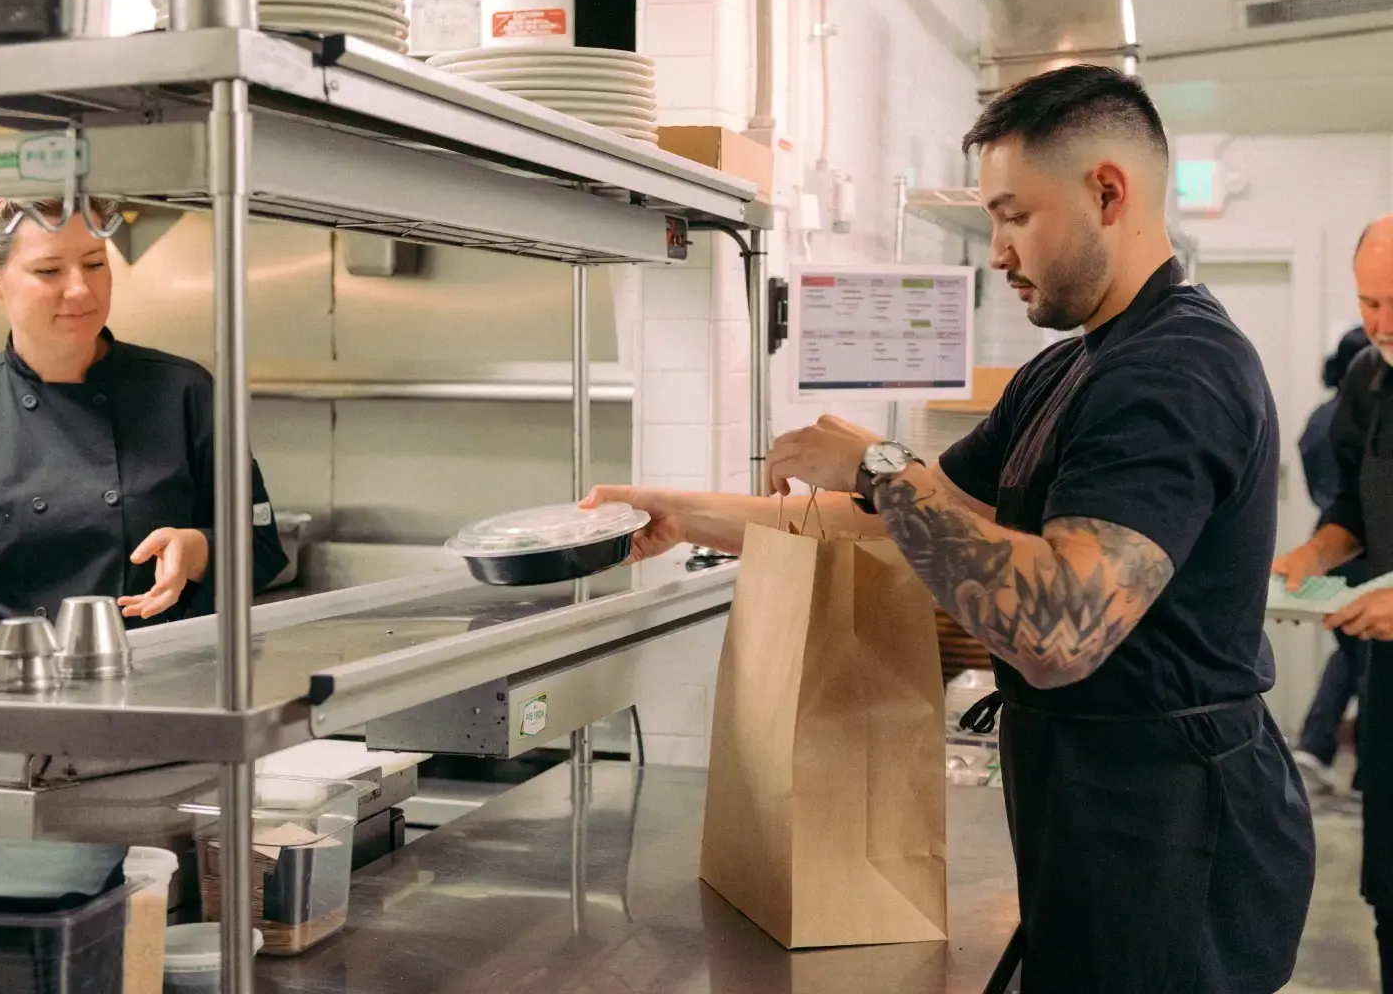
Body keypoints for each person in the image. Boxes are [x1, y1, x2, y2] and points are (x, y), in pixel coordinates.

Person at [589, 65, 1314, 992]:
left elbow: (1058, 629)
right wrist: (678, 512)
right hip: (1092, 806)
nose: (998, 252)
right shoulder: (1067, 374)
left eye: (1015, 216)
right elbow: (894, 522)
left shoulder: (1180, 372)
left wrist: (882, 466)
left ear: (1107, 192)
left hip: (1181, 830)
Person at [0, 197, 288, 633]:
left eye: (95, 263)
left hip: (155, 678)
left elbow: (261, 548)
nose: (79, 289)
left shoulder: (184, 392)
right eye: (49, 270)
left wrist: (200, 549)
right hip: (7, 679)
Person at [1275, 215, 1393, 991]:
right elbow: (1350, 502)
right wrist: (1310, 556)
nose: (1380, 324)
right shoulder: (1368, 379)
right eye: (1369, 303)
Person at [1290, 323, 1370, 794]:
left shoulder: (1319, 419)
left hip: (1329, 542)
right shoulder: (1364, 413)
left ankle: (1320, 746)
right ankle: (1349, 759)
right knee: (1367, 657)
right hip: (1364, 549)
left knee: (1351, 651)